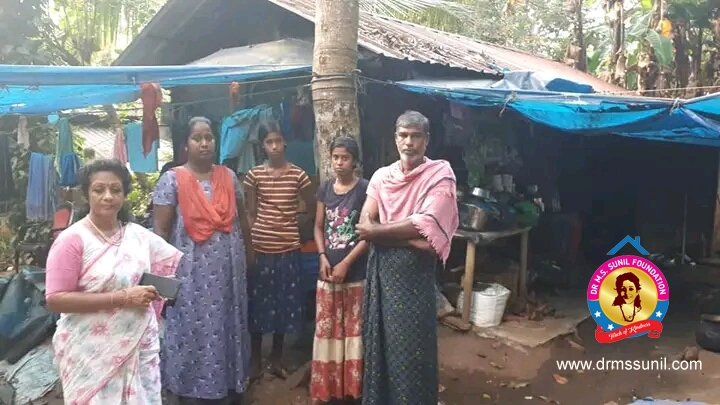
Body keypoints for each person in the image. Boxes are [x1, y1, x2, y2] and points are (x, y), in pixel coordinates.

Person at [45, 158, 182, 404]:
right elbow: (56, 299)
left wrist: (156, 291)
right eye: (99, 189)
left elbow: (162, 269)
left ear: (124, 194)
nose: (108, 196)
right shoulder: (72, 240)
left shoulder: (138, 236)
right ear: (86, 194)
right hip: (91, 352)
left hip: (139, 345)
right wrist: (123, 298)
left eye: (115, 190)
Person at [356, 110, 459, 405]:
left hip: (414, 277)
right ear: (395, 138)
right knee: (379, 341)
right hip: (382, 272)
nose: (409, 142)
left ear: (427, 140)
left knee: (413, 347)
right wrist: (408, 236)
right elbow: (364, 224)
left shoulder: (440, 175)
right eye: (403, 135)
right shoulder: (381, 177)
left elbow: (426, 227)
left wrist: (380, 233)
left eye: (415, 136)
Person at [153, 116, 252, 404]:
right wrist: (163, 279)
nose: (205, 143)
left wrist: (250, 254)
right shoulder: (171, 180)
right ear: (186, 144)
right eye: (197, 138)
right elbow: (160, 233)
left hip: (229, 273)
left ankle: (230, 384)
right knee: (191, 327)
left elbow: (243, 221)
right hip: (190, 274)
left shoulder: (229, 177)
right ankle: (188, 389)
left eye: (209, 137)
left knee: (228, 324)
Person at [244, 122, 314, 379]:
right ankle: (255, 362)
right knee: (258, 305)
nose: (274, 146)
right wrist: (252, 243)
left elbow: (311, 208)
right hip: (261, 248)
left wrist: (295, 229)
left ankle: (276, 359)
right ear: (262, 146)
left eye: (277, 141)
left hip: (288, 249)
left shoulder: (299, 175)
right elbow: (250, 212)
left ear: (285, 143)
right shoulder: (253, 175)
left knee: (283, 305)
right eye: (269, 142)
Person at [310, 136, 369, 404]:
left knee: (353, 332)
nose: (339, 163)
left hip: (355, 275)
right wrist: (322, 256)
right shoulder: (325, 189)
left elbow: (368, 234)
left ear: (354, 161)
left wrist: (346, 262)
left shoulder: (365, 189)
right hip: (328, 274)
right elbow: (318, 226)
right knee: (328, 331)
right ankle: (330, 388)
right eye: (335, 157)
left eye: (345, 158)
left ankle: (352, 391)